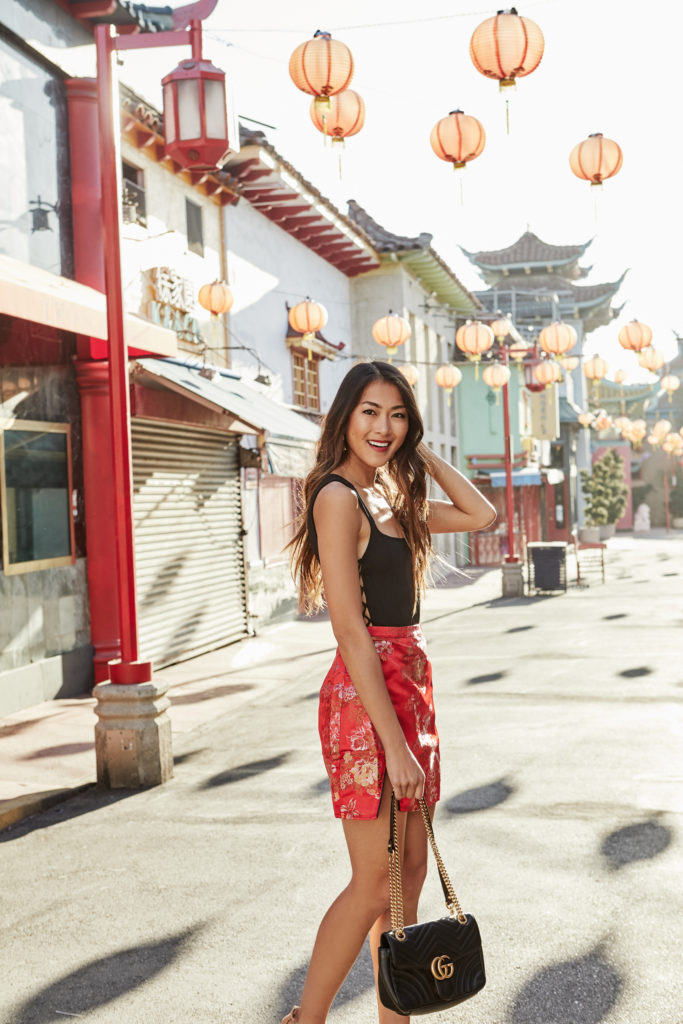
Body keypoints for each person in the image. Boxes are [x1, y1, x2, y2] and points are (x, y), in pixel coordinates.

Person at [283, 359, 496, 1024]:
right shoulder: (337, 497)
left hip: (409, 686)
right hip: (366, 696)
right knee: (375, 880)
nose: (383, 426)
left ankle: (391, 1019)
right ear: (343, 415)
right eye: (370, 412)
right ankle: (304, 1020)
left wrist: (417, 449)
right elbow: (348, 629)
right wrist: (395, 745)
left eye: (397, 414)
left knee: (405, 883)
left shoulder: (388, 497)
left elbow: (481, 514)